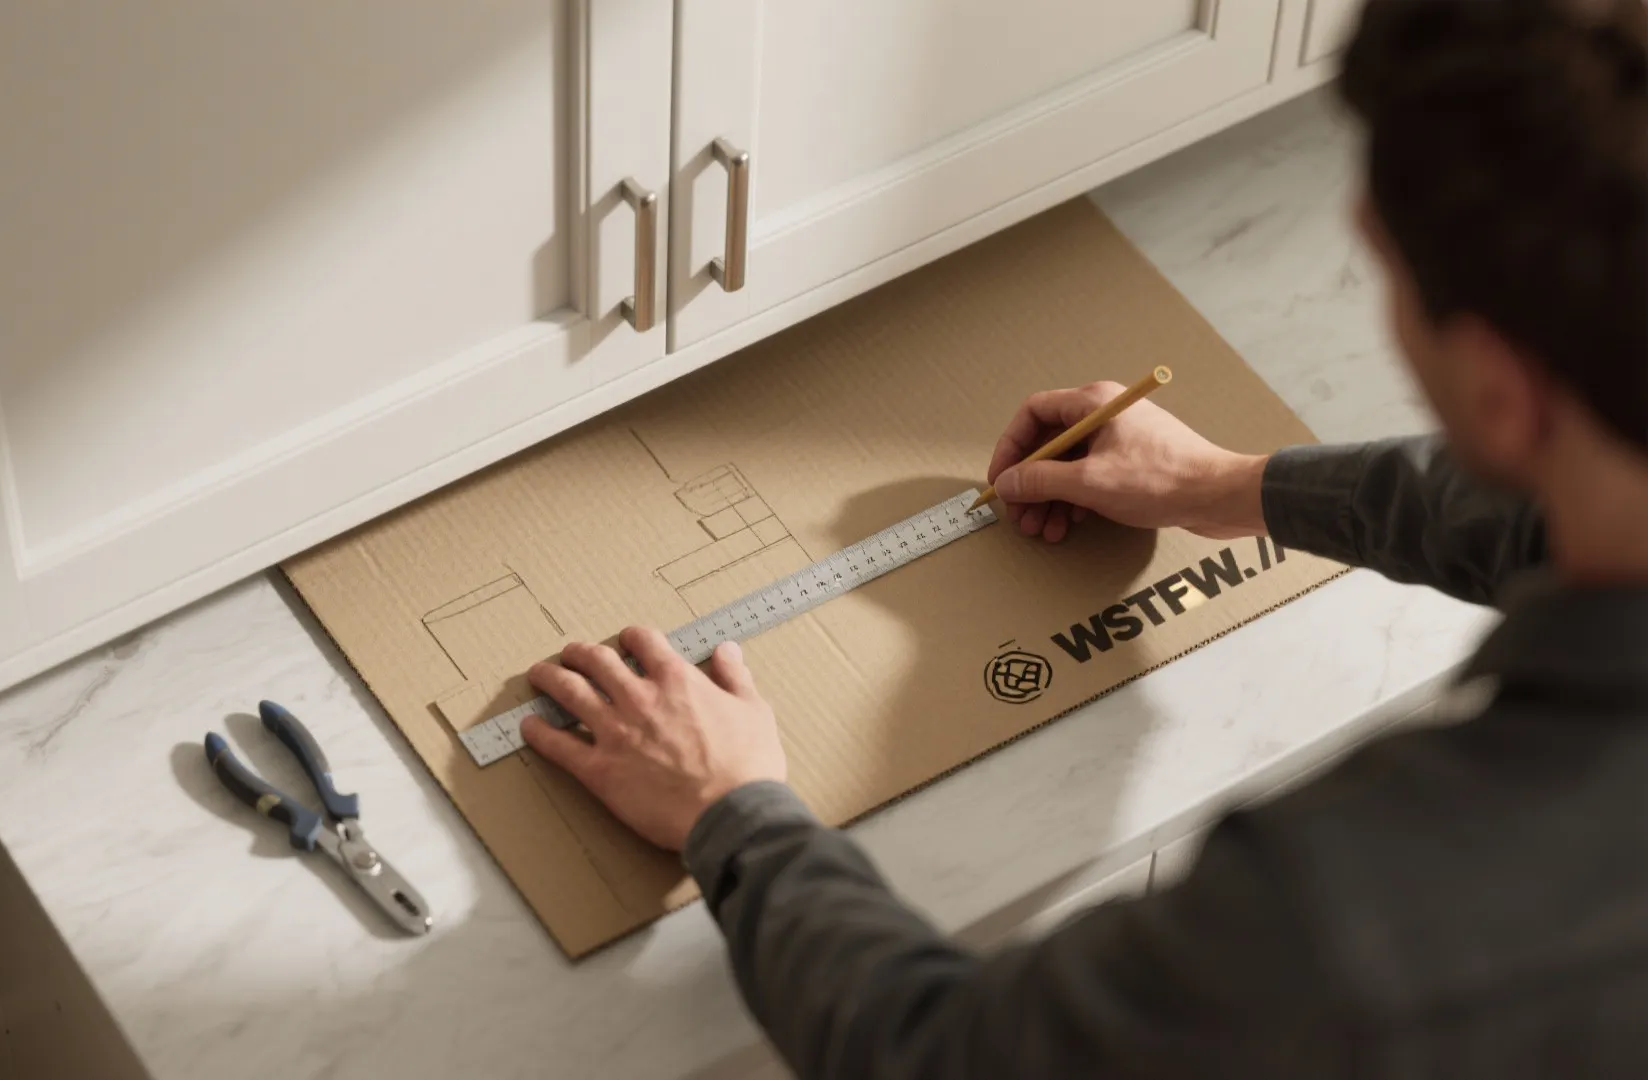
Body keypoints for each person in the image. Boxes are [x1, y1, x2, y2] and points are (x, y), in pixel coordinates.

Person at [518, 1, 1648, 1075]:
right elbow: (1554, 503)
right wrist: (1232, 486)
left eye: (1387, 270)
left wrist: (734, 810)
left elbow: (937, 1054)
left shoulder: (1347, 926)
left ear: (1503, 392)